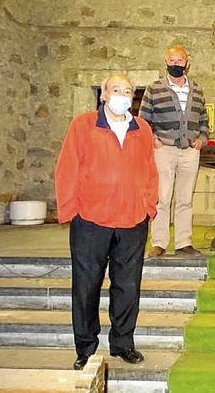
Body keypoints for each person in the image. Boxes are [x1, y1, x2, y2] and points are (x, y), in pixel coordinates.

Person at [55, 74, 157, 370]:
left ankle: (123, 343)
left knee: (127, 286)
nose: (122, 95)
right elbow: (67, 167)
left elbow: (150, 170)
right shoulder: (83, 125)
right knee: (86, 285)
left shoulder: (143, 129)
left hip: (132, 220)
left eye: (128, 91)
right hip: (90, 219)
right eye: (116, 90)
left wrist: (148, 206)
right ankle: (85, 346)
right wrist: (70, 209)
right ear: (103, 94)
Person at [139, 46, 209, 258]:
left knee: (185, 198)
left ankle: (183, 242)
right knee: (162, 197)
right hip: (164, 149)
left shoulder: (196, 90)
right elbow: (143, 119)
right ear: (166, 61)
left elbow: (204, 119)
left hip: (190, 150)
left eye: (180, 60)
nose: (176, 63)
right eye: (172, 59)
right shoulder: (154, 88)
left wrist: (202, 138)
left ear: (187, 63)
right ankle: (159, 242)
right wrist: (154, 139)